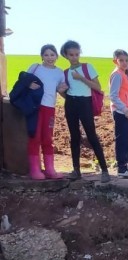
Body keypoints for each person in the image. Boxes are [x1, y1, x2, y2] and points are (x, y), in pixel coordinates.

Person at [59, 40, 109, 183]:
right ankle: (76, 170)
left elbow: (98, 87)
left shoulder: (88, 67)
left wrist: (81, 78)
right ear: (66, 55)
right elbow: (66, 93)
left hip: (85, 103)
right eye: (71, 55)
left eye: (76, 54)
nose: (74, 57)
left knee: (92, 135)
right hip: (70, 103)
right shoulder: (66, 72)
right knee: (74, 136)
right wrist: (61, 92)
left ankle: (105, 170)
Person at [25, 44, 66, 180]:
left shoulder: (60, 72)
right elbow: (23, 80)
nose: (49, 57)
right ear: (42, 56)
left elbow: (62, 91)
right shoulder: (35, 68)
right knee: (35, 137)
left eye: (52, 54)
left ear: (57, 56)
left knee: (48, 139)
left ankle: (49, 169)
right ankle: (35, 170)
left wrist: (62, 90)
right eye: (46, 55)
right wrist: (29, 85)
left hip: (50, 108)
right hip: (35, 107)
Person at [109, 49, 128, 177]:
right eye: (121, 60)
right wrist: (125, 109)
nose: (124, 63)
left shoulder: (123, 74)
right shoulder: (117, 75)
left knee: (125, 139)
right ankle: (121, 168)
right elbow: (113, 96)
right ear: (115, 61)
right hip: (121, 112)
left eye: (126, 60)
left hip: (125, 112)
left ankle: (124, 166)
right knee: (121, 140)